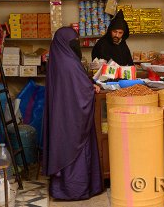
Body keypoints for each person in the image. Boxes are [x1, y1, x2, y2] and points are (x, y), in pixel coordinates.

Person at [42, 27, 102, 200]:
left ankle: (61, 189)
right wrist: (91, 88)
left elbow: (75, 85)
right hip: (73, 118)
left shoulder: (57, 59)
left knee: (62, 145)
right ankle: (76, 190)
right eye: (74, 41)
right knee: (76, 149)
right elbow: (81, 89)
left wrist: (87, 84)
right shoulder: (69, 63)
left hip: (61, 116)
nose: (77, 44)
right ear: (66, 43)